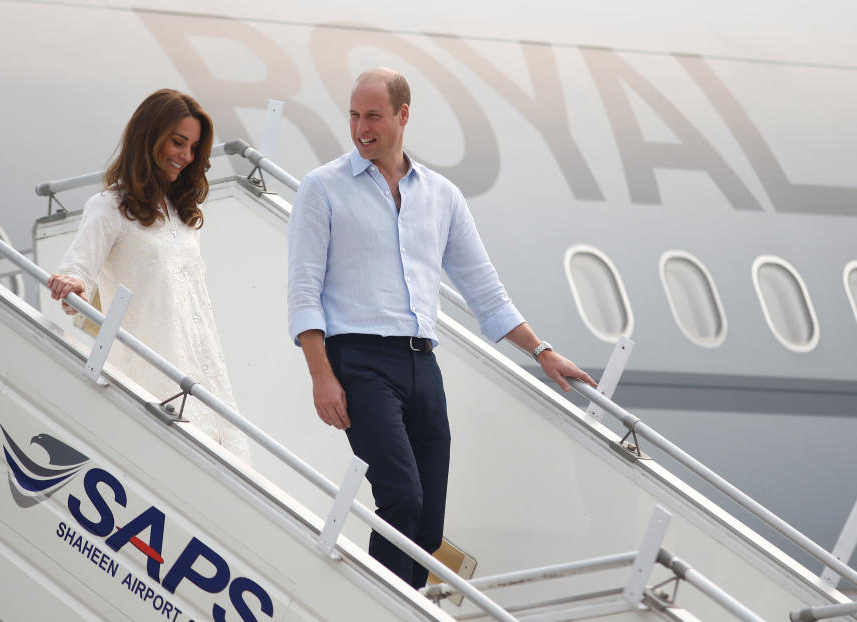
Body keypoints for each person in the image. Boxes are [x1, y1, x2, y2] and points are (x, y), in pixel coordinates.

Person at [287, 68, 597, 587]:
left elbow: (485, 291)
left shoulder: (442, 196)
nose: (361, 128)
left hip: (422, 366)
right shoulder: (322, 189)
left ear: (403, 116)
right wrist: (321, 375)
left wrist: (542, 350)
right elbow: (303, 292)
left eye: (374, 116)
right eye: (354, 115)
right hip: (358, 363)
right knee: (401, 496)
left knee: (428, 526)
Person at [48, 88, 250, 464]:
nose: (186, 157)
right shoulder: (109, 207)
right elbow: (77, 270)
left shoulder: (184, 218)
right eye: (178, 142)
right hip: (151, 384)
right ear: (149, 136)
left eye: (192, 148)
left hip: (207, 379)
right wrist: (74, 284)